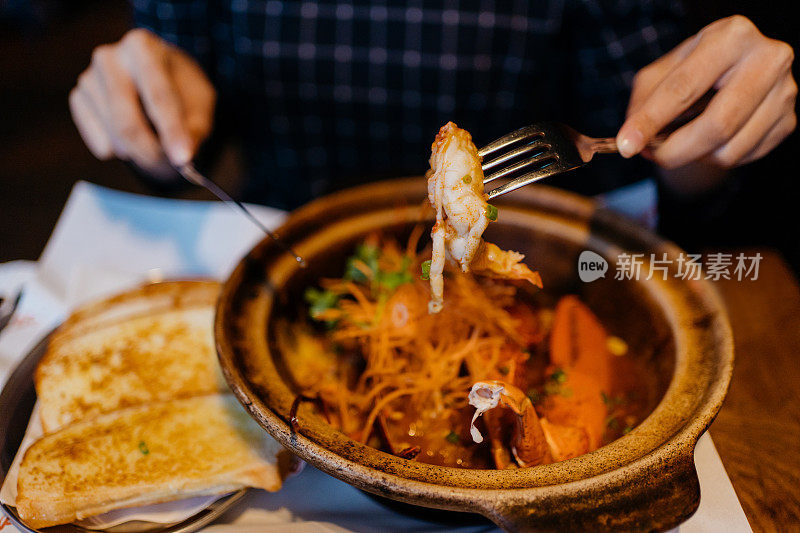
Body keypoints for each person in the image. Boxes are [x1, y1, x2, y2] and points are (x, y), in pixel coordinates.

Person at [69, 1, 796, 211]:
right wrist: (150, 113)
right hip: (280, 245)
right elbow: (180, 86)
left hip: (546, 241)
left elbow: (645, 127)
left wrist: (708, 139)